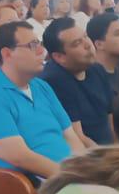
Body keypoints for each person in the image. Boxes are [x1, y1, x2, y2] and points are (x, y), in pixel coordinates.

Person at [0, 21, 93, 179]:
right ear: (7, 54)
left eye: (40, 44)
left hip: (68, 175)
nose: (42, 51)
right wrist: (75, 178)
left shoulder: (41, 87)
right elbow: (21, 157)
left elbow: (70, 136)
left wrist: (86, 170)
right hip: (28, 185)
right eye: (32, 45)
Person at [39, 17, 113, 145]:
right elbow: (78, 137)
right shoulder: (54, 80)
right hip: (85, 156)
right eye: (77, 43)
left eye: (85, 36)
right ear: (59, 57)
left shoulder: (97, 69)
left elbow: (111, 117)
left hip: (108, 148)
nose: (88, 44)